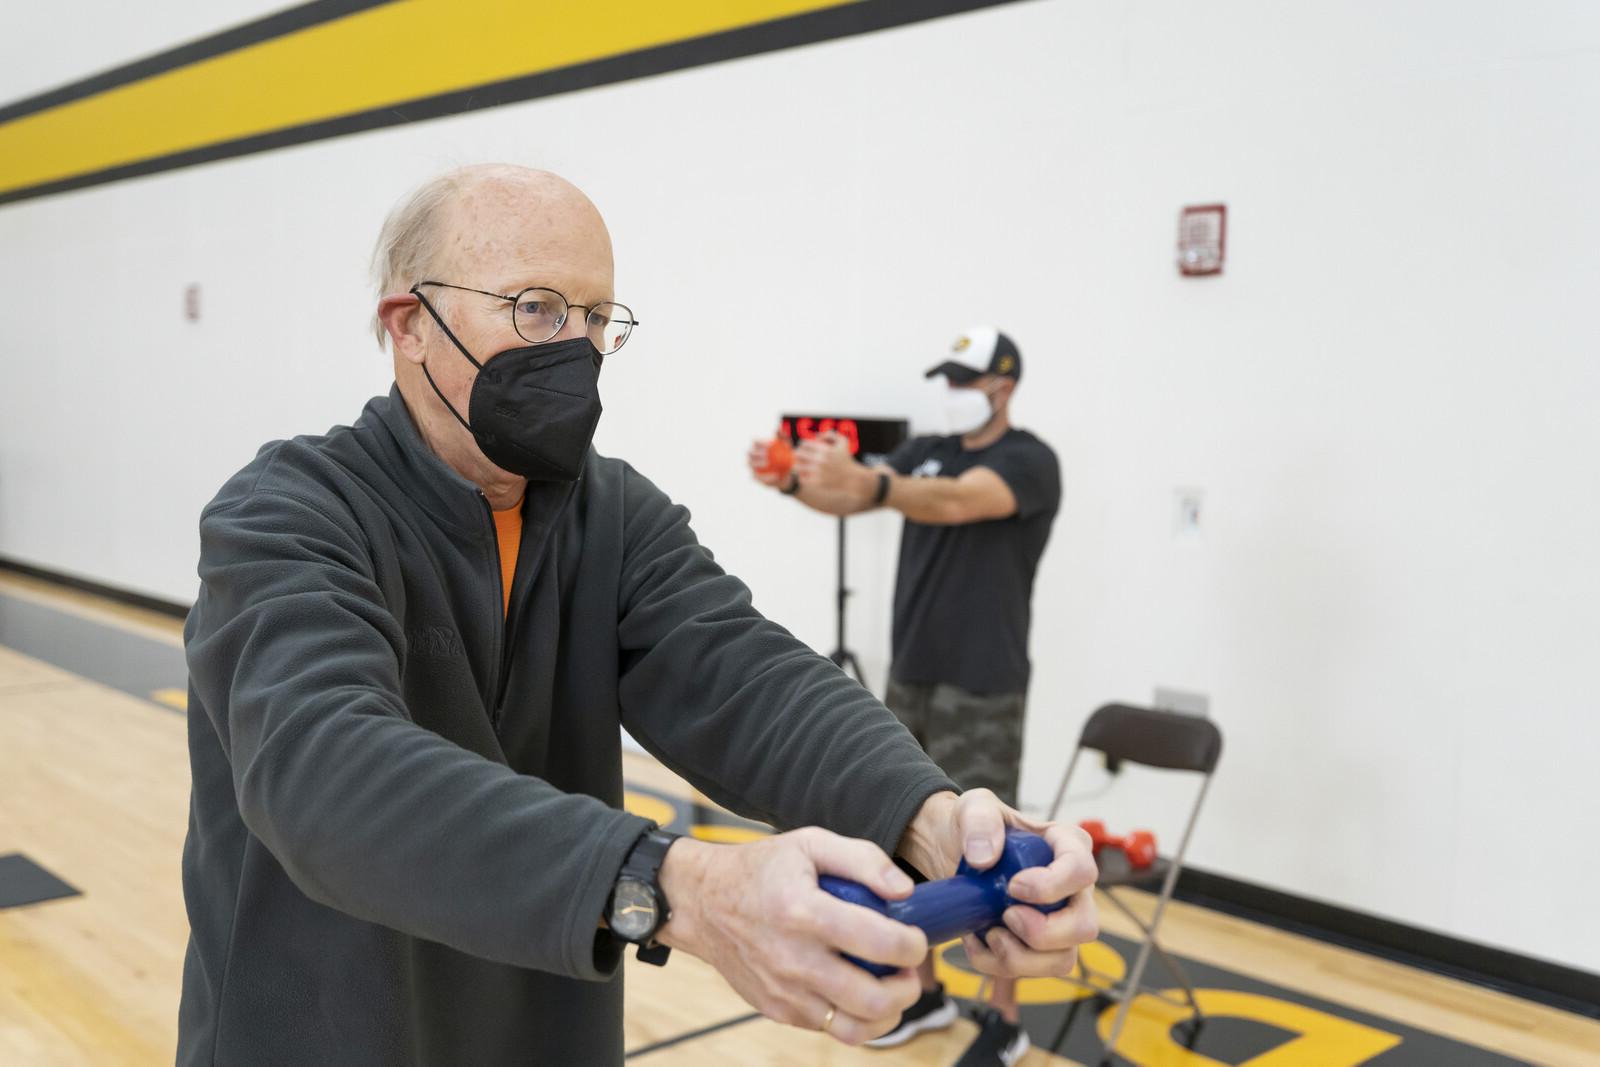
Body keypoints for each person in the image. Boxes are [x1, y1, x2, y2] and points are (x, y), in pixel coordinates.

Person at [177, 165, 1097, 1067]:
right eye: (535, 307)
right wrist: (674, 886)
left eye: (595, 320)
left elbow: (745, 677)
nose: (572, 349)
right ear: (411, 323)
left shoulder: (610, 516)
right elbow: (324, 770)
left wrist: (930, 815)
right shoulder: (285, 512)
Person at [749, 326, 1061, 1065]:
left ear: (1004, 384)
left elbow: (955, 503)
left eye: (967, 380)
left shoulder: (1028, 461)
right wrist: (793, 478)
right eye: (946, 379)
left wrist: (876, 482)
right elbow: (850, 496)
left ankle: (1004, 1015)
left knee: (991, 852)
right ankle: (925, 992)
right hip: (911, 670)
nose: (952, 394)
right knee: (910, 834)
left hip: (981, 680)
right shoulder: (928, 450)